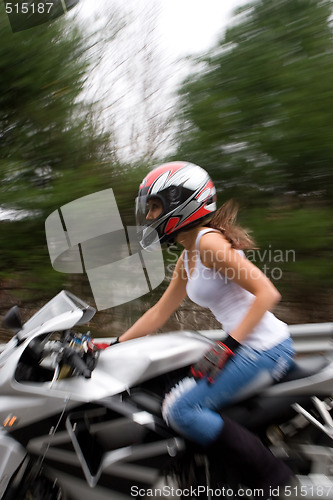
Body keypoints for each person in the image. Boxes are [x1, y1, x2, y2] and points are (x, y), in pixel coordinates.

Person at [115, 161, 295, 494]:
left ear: (180, 203)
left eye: (155, 206)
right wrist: (112, 345)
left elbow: (267, 293)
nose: (150, 216)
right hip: (250, 346)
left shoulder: (209, 244)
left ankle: (276, 481)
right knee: (161, 388)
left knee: (180, 410)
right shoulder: (188, 256)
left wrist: (228, 345)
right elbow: (159, 313)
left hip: (264, 348)